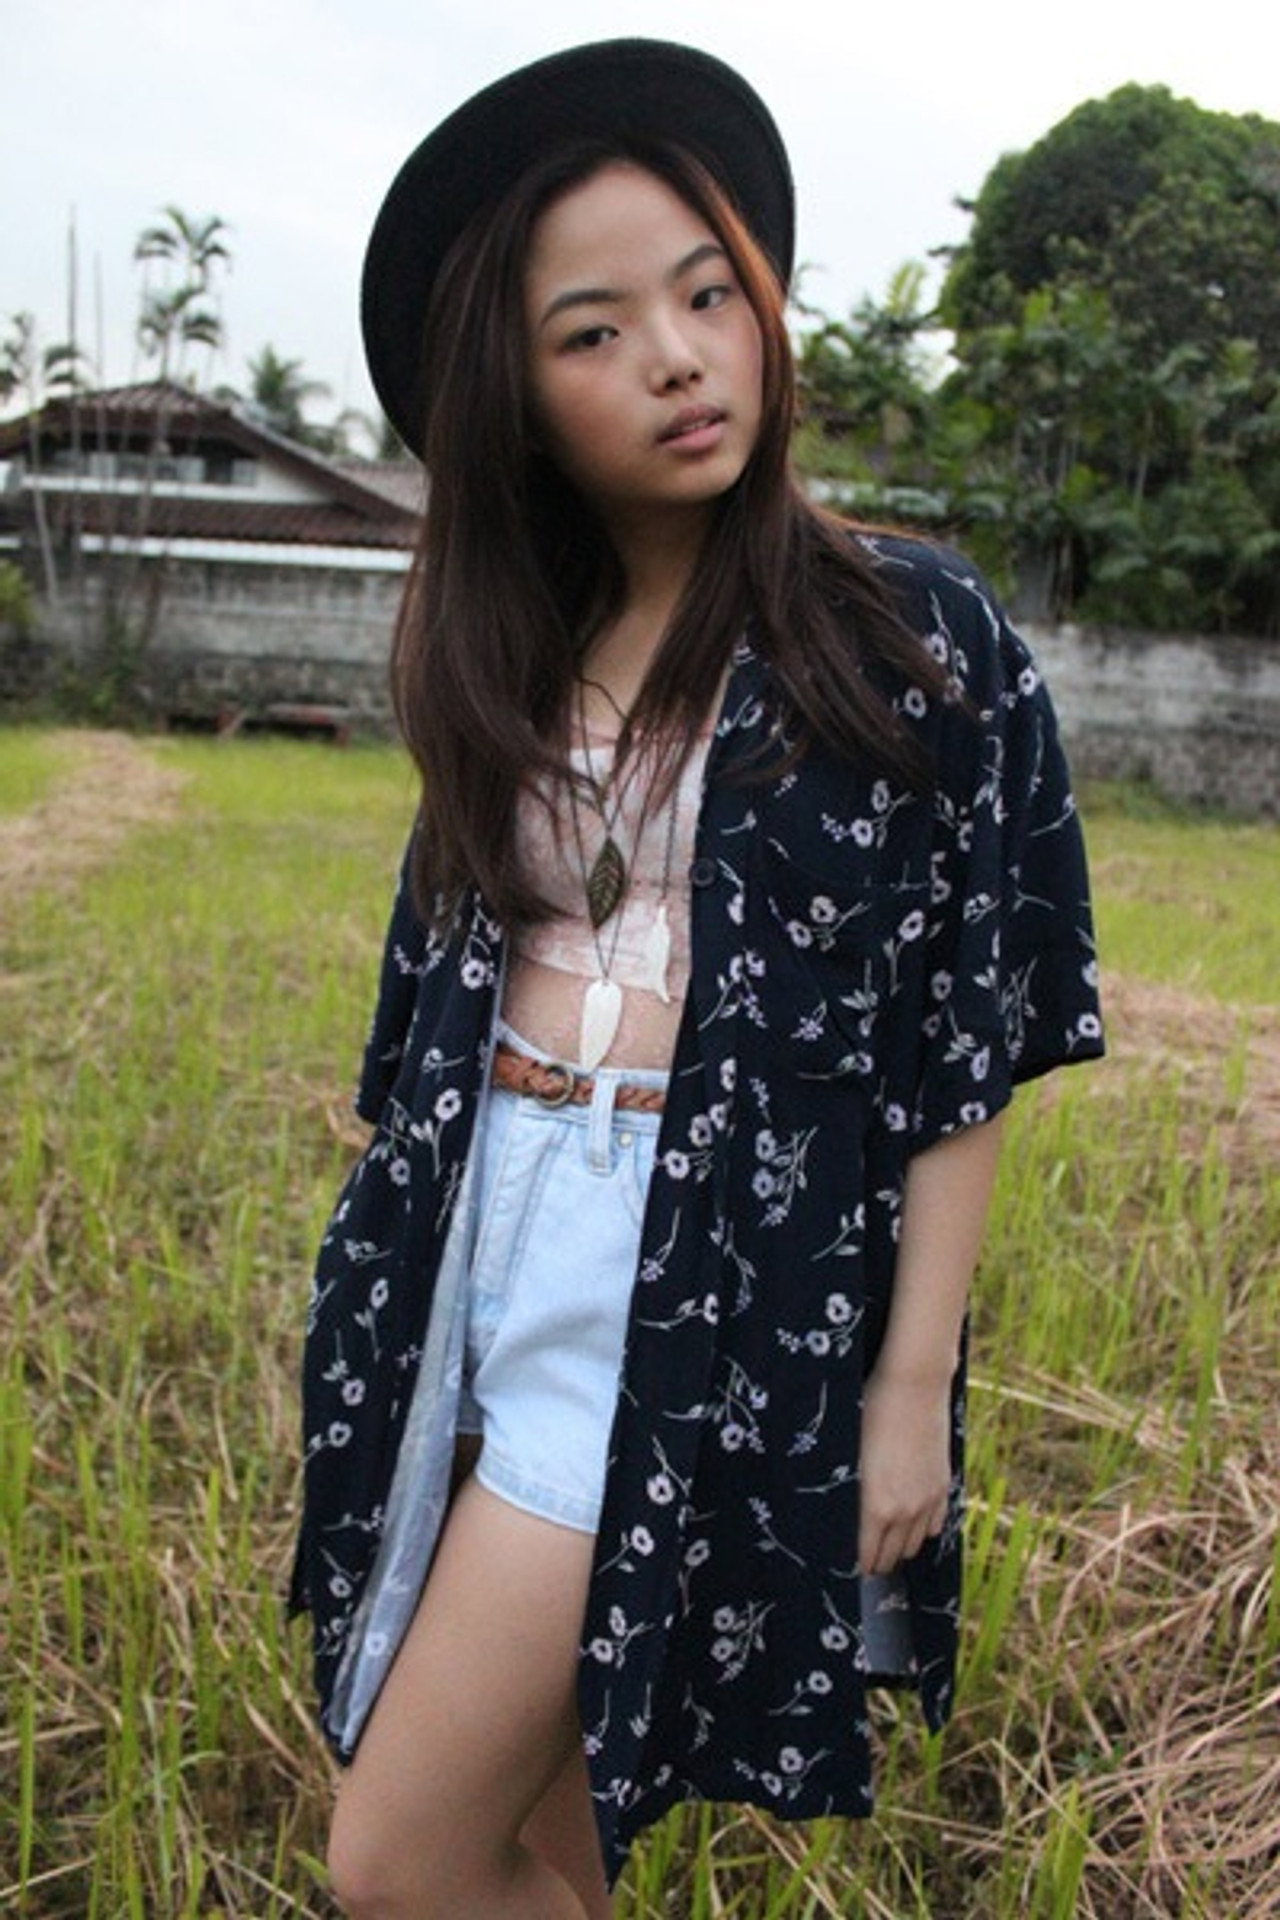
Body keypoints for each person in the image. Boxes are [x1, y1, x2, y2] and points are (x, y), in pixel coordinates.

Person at [289, 38, 1105, 1919]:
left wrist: (909, 1389)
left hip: (699, 1272)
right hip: (477, 1236)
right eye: (594, 331)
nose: (676, 356)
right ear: (513, 396)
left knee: (399, 1862)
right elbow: (427, 1013)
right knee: (555, 1825)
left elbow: (961, 1044)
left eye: (708, 293)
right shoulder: (509, 650)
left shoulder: (903, 631)